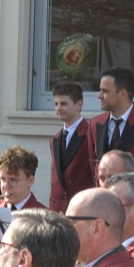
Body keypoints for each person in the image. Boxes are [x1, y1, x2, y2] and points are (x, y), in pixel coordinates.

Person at [46, 80, 96, 213]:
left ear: (79, 104)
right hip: (57, 212)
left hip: (80, 210)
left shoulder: (90, 135)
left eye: (64, 103)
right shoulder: (55, 139)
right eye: (56, 104)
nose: (58, 108)